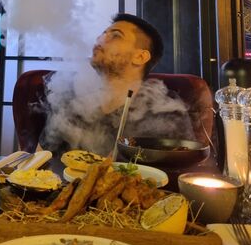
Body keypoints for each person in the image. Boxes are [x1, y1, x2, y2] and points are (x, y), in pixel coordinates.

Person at [39, 13, 196, 156]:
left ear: (140, 57)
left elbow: (183, 168)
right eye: (102, 34)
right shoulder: (74, 101)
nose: (100, 40)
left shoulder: (165, 110)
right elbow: (39, 159)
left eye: (115, 36)